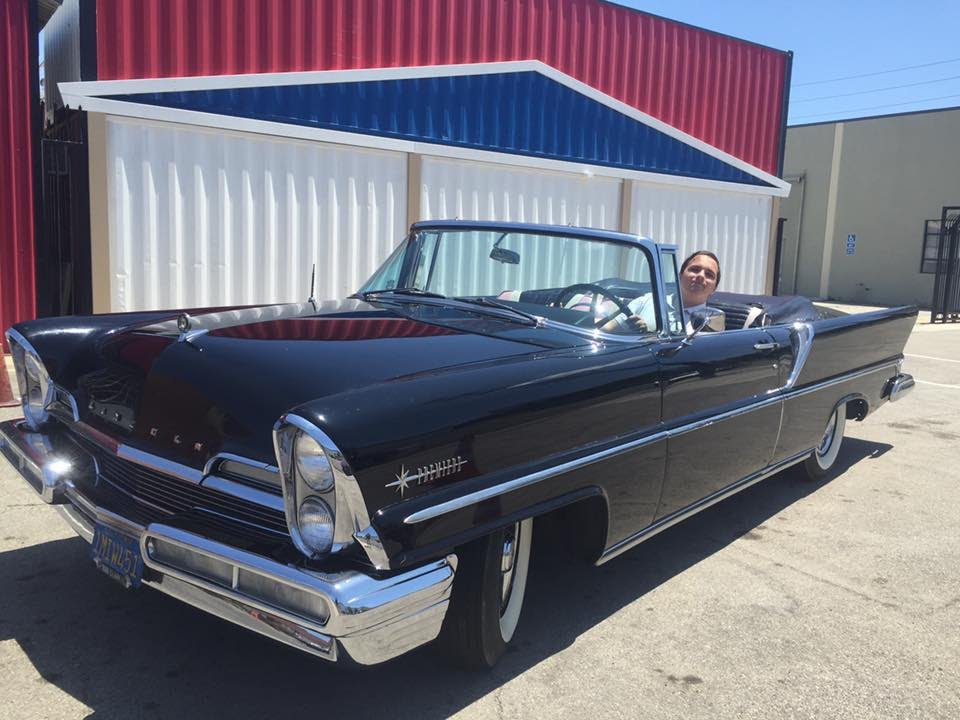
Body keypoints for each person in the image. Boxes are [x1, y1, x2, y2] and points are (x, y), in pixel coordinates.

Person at [678, 250, 721, 333]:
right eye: (695, 269)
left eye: (709, 274)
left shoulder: (711, 326)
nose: (701, 275)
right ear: (680, 276)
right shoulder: (653, 303)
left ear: (714, 289)